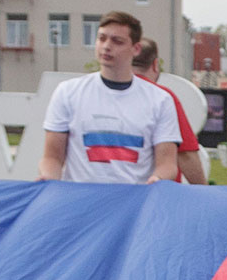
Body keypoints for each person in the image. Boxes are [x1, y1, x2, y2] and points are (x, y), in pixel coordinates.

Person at [40, 11, 180, 183]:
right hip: (81, 202)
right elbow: (52, 158)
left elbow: (168, 164)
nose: (106, 46)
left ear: (136, 49)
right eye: (101, 38)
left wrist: (157, 179)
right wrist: (48, 179)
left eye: (117, 41)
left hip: (133, 202)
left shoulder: (160, 100)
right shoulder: (67, 92)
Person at [133, 36, 207, 184]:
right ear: (155, 65)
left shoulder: (104, 94)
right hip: (157, 193)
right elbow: (185, 153)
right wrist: (203, 191)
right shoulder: (162, 97)